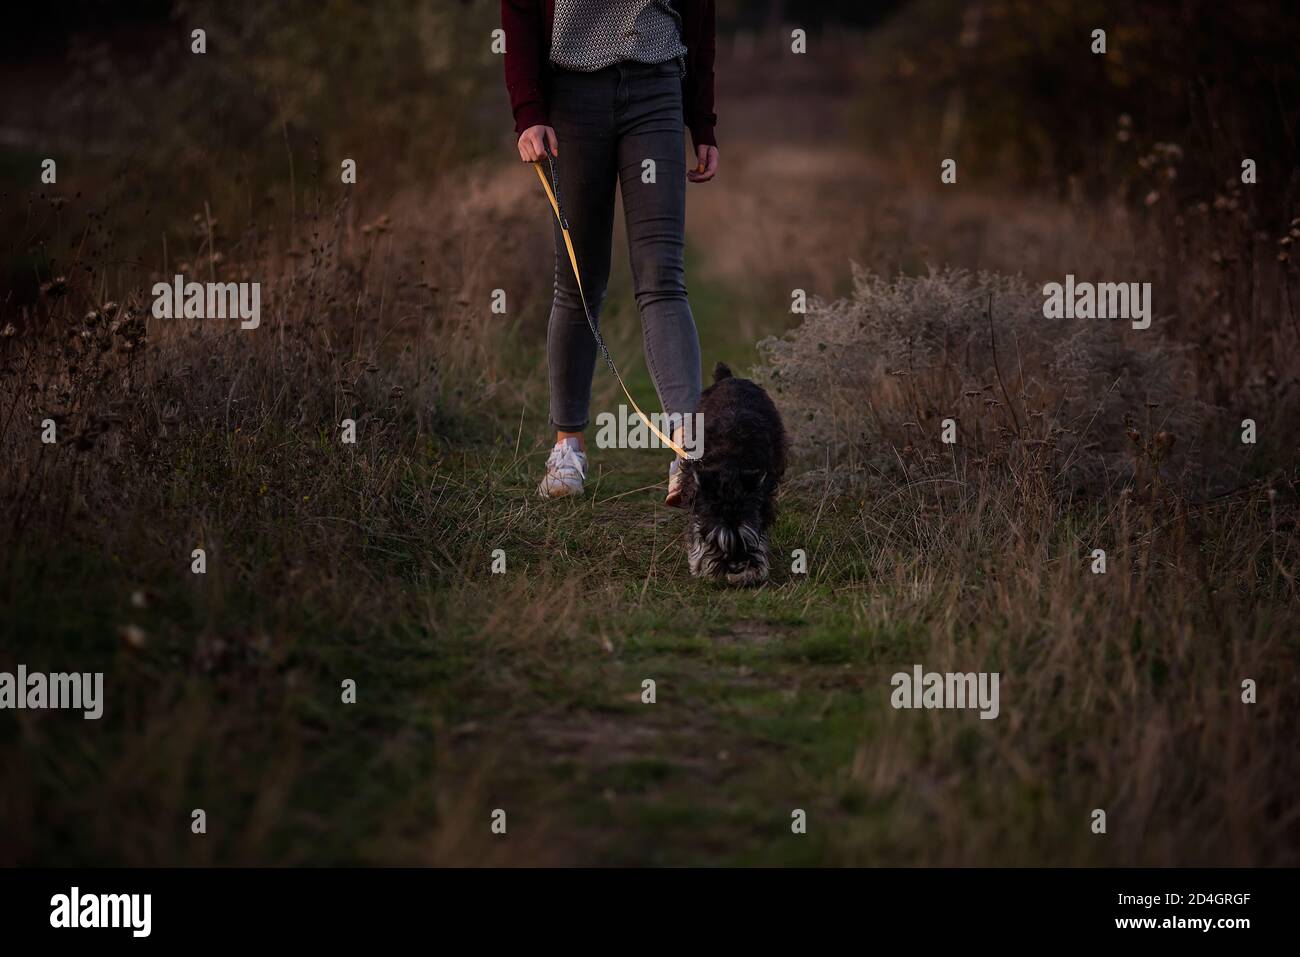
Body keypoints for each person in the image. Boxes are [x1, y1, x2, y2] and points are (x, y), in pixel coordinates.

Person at [501, 0, 718, 504]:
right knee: (578, 281)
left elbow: (701, 12)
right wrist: (528, 111)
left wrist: (702, 121)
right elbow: (519, 10)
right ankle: (568, 449)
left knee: (663, 276)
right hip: (573, 95)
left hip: (657, 85)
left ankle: (689, 453)